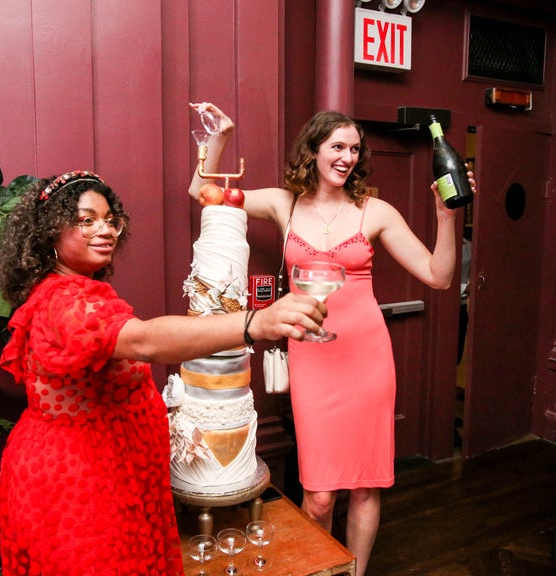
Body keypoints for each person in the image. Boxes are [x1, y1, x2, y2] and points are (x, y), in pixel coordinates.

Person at [0, 169, 326, 575]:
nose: (105, 230)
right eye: (86, 220)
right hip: (78, 482)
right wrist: (253, 323)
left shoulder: (79, 289)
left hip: (113, 472)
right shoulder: (65, 302)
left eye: (110, 220)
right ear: (49, 233)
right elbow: (144, 341)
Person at [188, 102, 475, 576]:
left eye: (354, 149)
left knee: (365, 487)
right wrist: (220, 135)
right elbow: (202, 190)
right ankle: (322, 569)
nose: (346, 157)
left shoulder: (375, 211)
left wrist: (446, 217)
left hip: (366, 356)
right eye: (337, 147)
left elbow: (439, 275)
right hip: (312, 356)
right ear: (314, 151)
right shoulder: (286, 203)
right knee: (319, 496)